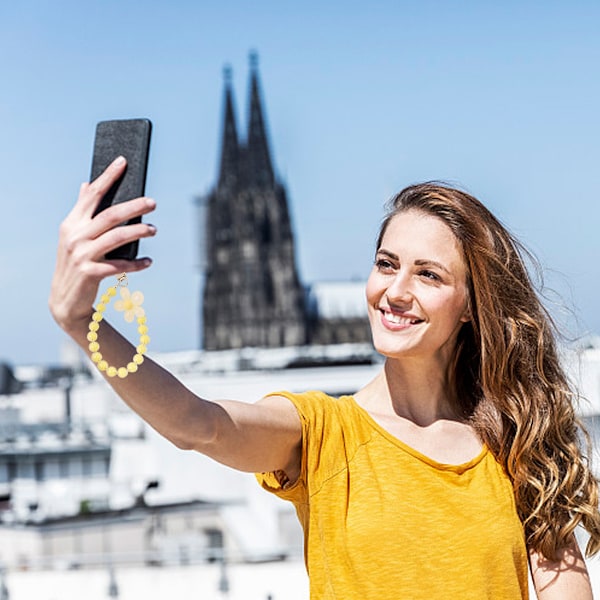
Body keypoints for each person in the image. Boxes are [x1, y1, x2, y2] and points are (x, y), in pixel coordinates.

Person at [50, 156, 600, 599]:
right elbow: (200, 425)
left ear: (470, 307)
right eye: (386, 264)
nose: (396, 290)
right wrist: (82, 323)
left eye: (428, 274)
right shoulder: (324, 433)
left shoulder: (516, 440)